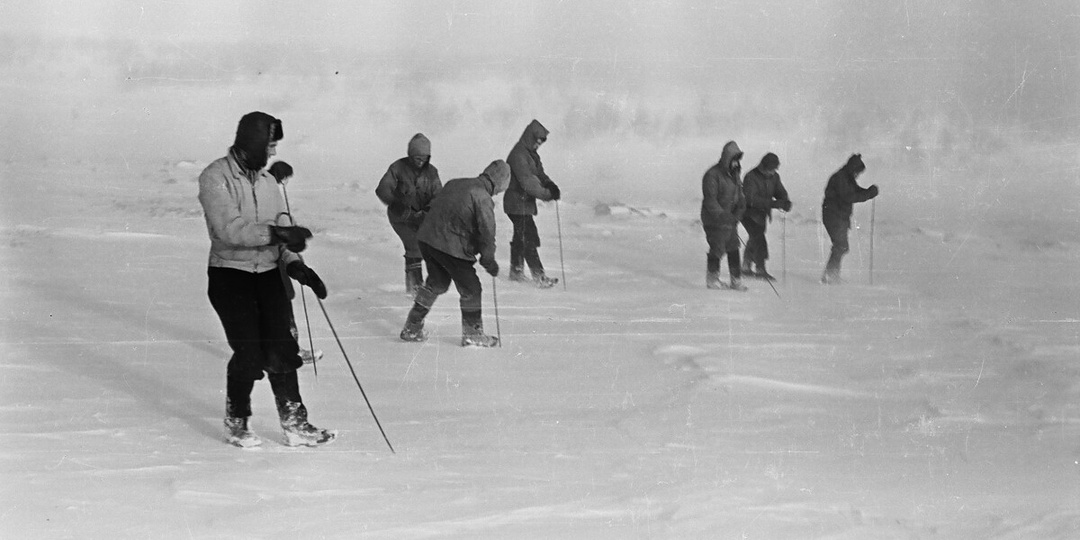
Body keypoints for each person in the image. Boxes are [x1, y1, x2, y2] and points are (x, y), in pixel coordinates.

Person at [198, 111, 334, 448]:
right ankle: (237, 420)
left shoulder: (267, 181)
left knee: (283, 350)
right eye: (270, 145)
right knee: (249, 353)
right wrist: (279, 233)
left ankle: (295, 423)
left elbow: (280, 230)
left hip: (269, 274)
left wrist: (294, 263)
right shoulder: (215, 177)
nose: (273, 152)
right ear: (254, 143)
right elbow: (231, 230)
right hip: (231, 275)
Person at [399, 160, 511, 347]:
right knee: (471, 289)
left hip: (427, 239)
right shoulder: (482, 197)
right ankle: (472, 334)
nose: (499, 192)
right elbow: (487, 233)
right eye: (502, 188)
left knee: (437, 283)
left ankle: (412, 327)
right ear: (499, 182)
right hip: (450, 246)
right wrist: (488, 259)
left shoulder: (455, 183)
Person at [267, 160, 323, 365]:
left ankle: (288, 348)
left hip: (277, 260)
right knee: (280, 306)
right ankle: (289, 350)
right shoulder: (268, 192)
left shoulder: (269, 190)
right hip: (268, 263)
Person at [375, 134, 443, 295]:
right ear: (410, 155)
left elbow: (438, 196)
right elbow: (382, 189)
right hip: (401, 218)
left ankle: (416, 288)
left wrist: (428, 211)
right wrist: (396, 204)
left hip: (422, 218)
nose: (420, 161)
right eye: (417, 157)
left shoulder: (432, 172)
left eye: (424, 158)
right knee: (414, 245)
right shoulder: (397, 167)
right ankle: (415, 289)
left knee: (424, 247)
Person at [504, 119, 560, 288]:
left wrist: (550, 184)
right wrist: (547, 194)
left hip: (522, 205)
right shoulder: (519, 155)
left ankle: (516, 272)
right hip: (516, 204)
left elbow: (540, 174)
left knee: (521, 238)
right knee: (529, 237)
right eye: (537, 141)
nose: (538, 145)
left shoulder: (531, 155)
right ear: (530, 137)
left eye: (540, 143)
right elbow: (528, 182)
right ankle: (539, 276)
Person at [821, 153, 878, 284]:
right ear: (853, 169)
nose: (858, 175)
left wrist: (869, 191)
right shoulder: (840, 178)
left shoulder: (846, 177)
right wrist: (869, 194)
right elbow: (849, 196)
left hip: (839, 217)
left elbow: (856, 191)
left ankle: (832, 274)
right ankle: (829, 275)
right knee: (840, 245)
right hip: (833, 216)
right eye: (858, 172)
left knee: (841, 246)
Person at [700, 141, 748, 291]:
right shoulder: (712, 175)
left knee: (734, 247)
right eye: (733, 159)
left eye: (737, 160)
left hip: (730, 220)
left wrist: (739, 212)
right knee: (717, 247)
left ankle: (736, 280)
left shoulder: (735, 175)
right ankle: (712, 279)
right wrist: (722, 216)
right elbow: (710, 201)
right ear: (727, 158)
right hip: (714, 220)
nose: (736, 163)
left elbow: (740, 197)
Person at [740, 152, 792, 280]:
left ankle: (746, 267)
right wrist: (774, 204)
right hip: (748, 213)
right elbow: (751, 199)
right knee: (758, 238)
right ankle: (760, 269)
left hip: (762, 214)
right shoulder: (751, 176)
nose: (773, 172)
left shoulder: (774, 177)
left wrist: (785, 201)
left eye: (775, 169)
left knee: (755, 238)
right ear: (763, 166)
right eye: (771, 169)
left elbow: (780, 191)